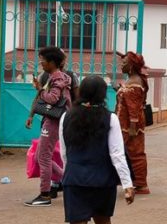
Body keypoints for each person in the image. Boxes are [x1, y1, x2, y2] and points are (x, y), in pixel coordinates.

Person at [59, 76, 135, 223]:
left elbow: (64, 152)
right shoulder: (110, 118)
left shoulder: (66, 117)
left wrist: (68, 175)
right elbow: (117, 154)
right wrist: (127, 184)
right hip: (103, 180)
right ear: (103, 94)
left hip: (74, 179)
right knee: (103, 221)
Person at [24, 46, 73, 207]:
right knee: (41, 156)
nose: (41, 63)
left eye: (43, 60)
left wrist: (39, 89)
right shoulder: (57, 76)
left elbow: (52, 99)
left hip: (53, 121)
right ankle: (69, 181)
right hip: (52, 120)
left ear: (52, 62)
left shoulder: (56, 78)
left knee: (44, 157)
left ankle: (45, 195)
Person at [115, 51, 150, 194]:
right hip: (124, 123)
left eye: (124, 64)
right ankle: (135, 181)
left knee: (135, 152)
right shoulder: (133, 79)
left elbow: (133, 108)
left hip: (129, 125)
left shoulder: (135, 82)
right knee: (129, 152)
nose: (121, 66)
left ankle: (141, 184)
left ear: (131, 66)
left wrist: (133, 127)